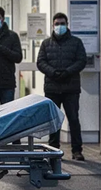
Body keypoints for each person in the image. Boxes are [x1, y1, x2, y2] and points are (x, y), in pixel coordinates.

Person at [37, 12, 87, 161]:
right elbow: (40, 62)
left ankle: (77, 150)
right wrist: (53, 72)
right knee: (53, 121)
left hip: (70, 88)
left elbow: (81, 61)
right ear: (53, 25)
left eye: (62, 23)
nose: (60, 26)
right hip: (52, 88)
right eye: (57, 24)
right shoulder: (46, 43)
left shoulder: (76, 42)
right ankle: (53, 150)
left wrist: (67, 72)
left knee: (73, 119)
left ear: (67, 24)